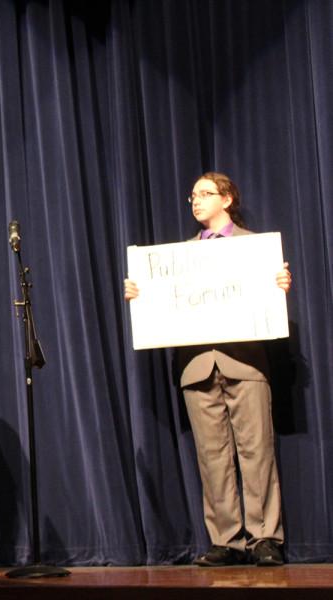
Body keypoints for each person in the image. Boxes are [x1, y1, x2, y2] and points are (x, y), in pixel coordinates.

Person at [124, 172, 292, 567]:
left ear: (227, 199)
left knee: (257, 452)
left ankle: (265, 538)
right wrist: (140, 293)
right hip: (197, 366)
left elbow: (268, 294)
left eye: (205, 193)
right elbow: (161, 303)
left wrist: (279, 284)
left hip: (245, 361)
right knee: (211, 455)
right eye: (193, 195)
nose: (196, 201)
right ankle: (226, 541)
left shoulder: (254, 248)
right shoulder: (176, 258)